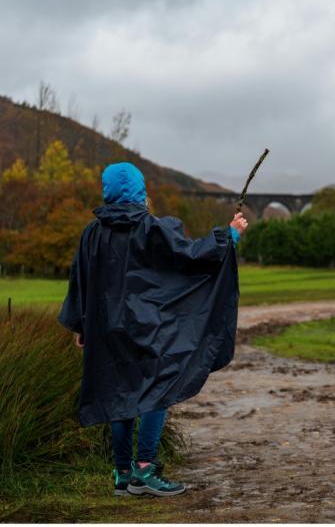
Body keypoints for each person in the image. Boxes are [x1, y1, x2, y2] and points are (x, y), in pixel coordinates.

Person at [58, 162, 248, 497]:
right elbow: (190, 257)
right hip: (148, 328)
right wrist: (229, 235)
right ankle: (144, 469)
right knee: (158, 387)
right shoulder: (150, 227)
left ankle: (122, 474)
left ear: (109, 190)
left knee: (119, 394)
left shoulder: (93, 233)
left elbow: (80, 279)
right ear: (139, 189)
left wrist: (81, 325)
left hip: (108, 330)